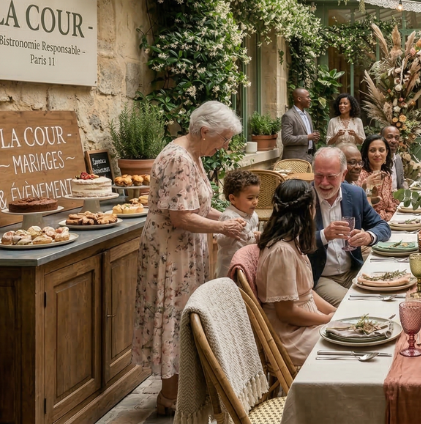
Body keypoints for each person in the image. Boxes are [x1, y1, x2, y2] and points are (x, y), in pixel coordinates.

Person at [131, 101, 249, 415]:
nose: (225, 145)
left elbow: (197, 207)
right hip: (170, 253)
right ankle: (169, 398)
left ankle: (184, 390)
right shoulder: (177, 158)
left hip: (186, 248)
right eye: (223, 138)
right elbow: (180, 217)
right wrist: (223, 225)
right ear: (205, 130)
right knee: (173, 315)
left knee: (184, 315)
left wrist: (228, 219)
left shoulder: (194, 155)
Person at [254, 179, 336, 367]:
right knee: (353, 343)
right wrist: (326, 320)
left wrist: (333, 312)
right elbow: (286, 312)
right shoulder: (281, 251)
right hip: (291, 336)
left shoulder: (293, 241)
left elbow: (306, 292)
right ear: (309, 209)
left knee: (356, 330)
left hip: (305, 324)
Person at [309, 146, 391, 306]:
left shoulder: (354, 194)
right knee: (355, 305)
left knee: (386, 295)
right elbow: (290, 240)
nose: (324, 183)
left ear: (343, 174)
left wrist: (369, 236)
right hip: (320, 276)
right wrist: (324, 235)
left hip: (352, 270)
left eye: (331, 177)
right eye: (319, 176)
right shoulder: (304, 196)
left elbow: (382, 227)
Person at [216, 170, 261, 278]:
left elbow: (252, 234)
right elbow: (220, 240)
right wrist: (230, 230)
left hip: (247, 262)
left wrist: (257, 235)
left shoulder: (253, 215)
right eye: (250, 198)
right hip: (230, 265)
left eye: (257, 197)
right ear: (232, 199)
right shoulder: (229, 216)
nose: (255, 201)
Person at [356, 135, 399, 221]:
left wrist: (388, 219)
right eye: (372, 150)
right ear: (366, 153)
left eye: (381, 150)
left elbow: (390, 207)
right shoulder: (360, 175)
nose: (377, 154)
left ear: (386, 152)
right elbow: (364, 208)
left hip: (386, 223)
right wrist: (368, 186)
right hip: (369, 224)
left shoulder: (386, 176)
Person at [281, 88, 321, 162]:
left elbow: (308, 136)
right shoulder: (289, 116)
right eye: (308, 97)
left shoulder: (307, 114)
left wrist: (314, 138)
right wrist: (307, 137)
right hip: (295, 160)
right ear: (299, 99)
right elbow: (286, 139)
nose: (310, 99)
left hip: (309, 158)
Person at [380, 125, 407, 190]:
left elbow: (400, 185)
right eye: (389, 137)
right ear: (381, 138)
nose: (394, 141)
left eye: (397, 138)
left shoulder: (398, 159)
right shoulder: (377, 160)